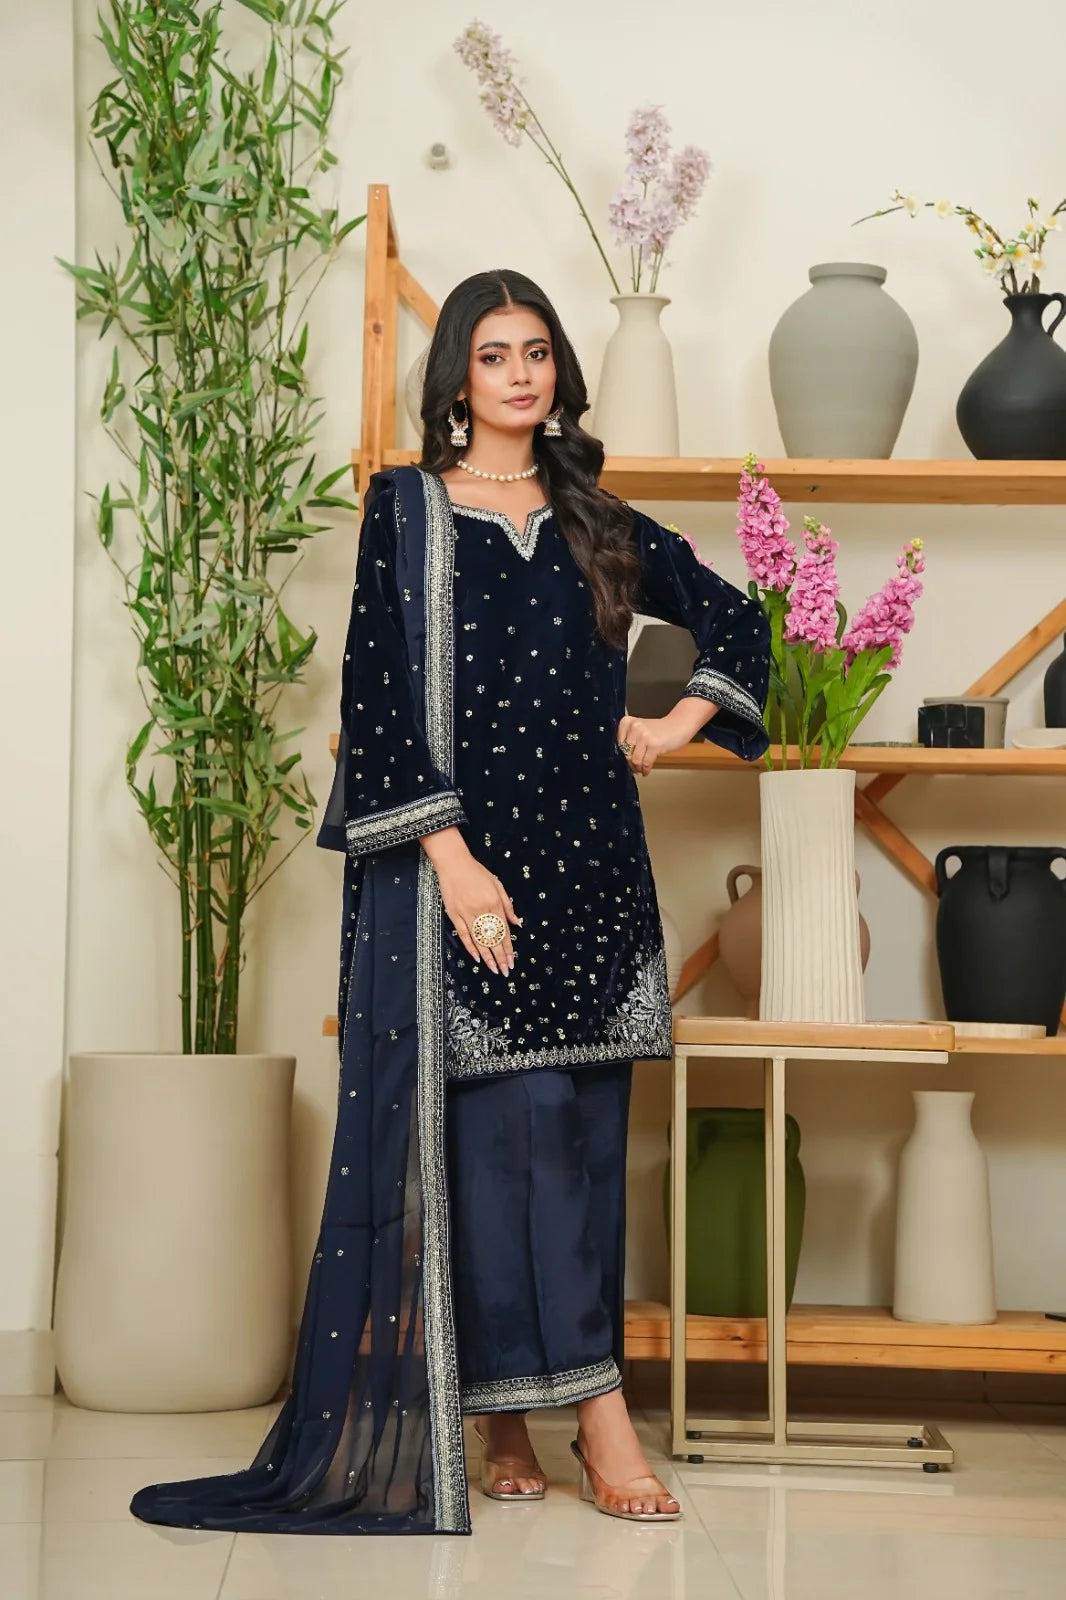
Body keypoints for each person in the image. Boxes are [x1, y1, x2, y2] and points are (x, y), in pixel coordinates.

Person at [129, 268, 770, 1536]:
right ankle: (587, 1419)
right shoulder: (407, 509)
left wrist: (669, 724)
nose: (520, 374)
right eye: (493, 354)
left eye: (536, 352)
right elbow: (376, 692)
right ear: (457, 380)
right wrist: (453, 858)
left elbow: (738, 625)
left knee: (580, 1152)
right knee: (501, 1150)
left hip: (595, 878)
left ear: (557, 371)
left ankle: (517, 1417)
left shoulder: (599, 520)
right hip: (473, 873)